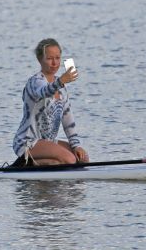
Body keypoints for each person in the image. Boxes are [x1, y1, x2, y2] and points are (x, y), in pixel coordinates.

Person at [11, 38, 89, 166]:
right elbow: (44, 92)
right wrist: (60, 82)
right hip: (28, 141)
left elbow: (68, 122)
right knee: (69, 160)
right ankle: (25, 163)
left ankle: (44, 170)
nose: (54, 63)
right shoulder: (35, 82)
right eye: (49, 58)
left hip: (48, 141)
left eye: (58, 58)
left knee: (82, 158)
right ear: (40, 60)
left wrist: (76, 145)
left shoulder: (62, 88)